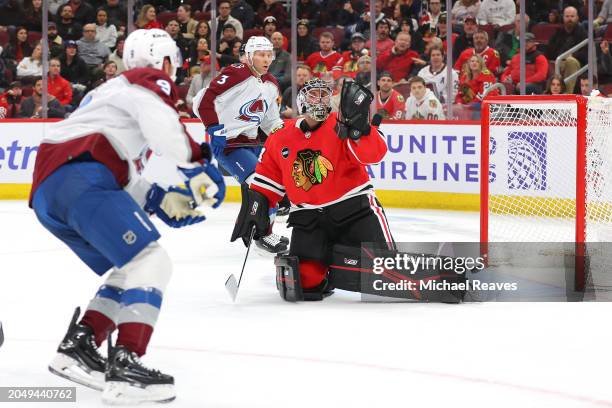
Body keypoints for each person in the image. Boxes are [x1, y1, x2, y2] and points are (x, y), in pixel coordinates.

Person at [30, 29, 225, 404]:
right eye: (173, 65)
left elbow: (121, 167)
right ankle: (127, 363)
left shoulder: (107, 94)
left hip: (53, 192)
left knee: (130, 266)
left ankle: (79, 345)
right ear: (162, 61)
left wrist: (161, 203)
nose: (175, 75)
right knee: (154, 262)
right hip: (81, 178)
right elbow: (170, 136)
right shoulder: (147, 80)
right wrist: (199, 159)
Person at [231, 78, 394, 301]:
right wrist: (257, 209)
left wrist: (362, 130)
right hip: (308, 218)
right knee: (304, 285)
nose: (319, 100)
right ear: (301, 100)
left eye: (324, 95)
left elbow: (374, 156)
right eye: (313, 95)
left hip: (355, 210)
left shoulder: (343, 126)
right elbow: (266, 181)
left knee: (385, 275)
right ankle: (329, 266)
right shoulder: (280, 136)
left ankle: (340, 263)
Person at [193, 36, 289, 253]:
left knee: (271, 184)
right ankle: (261, 237)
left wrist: (286, 136)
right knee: (260, 183)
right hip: (228, 143)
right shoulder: (237, 72)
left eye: (268, 55)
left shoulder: (271, 83)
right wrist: (213, 128)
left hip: (252, 142)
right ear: (249, 56)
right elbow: (203, 102)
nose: (266, 59)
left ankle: (261, 232)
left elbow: (270, 120)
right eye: (260, 55)